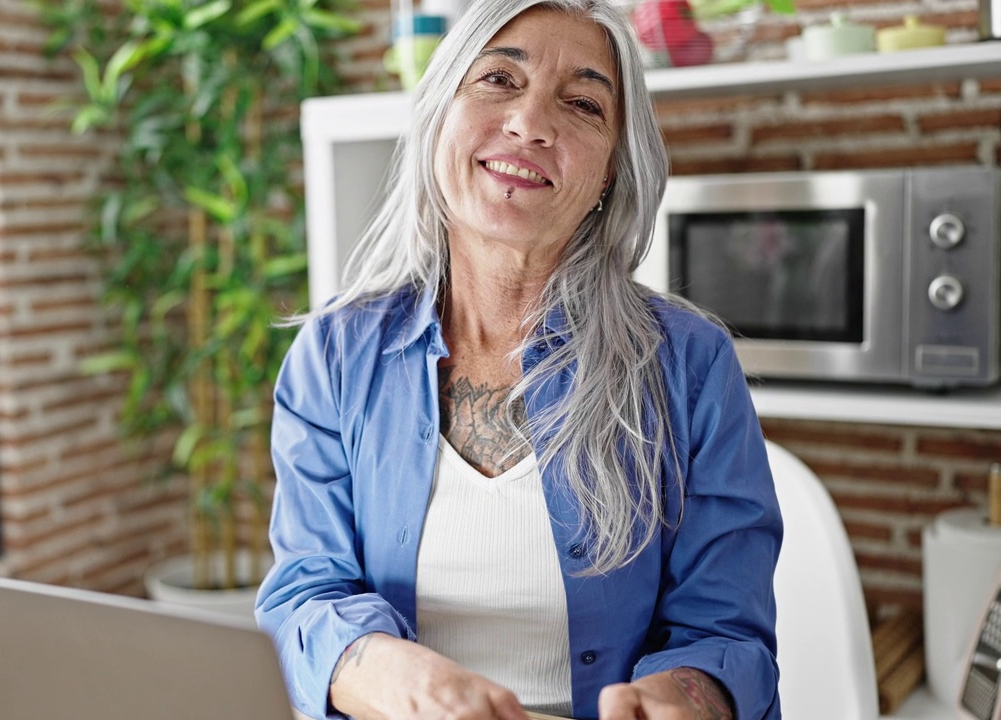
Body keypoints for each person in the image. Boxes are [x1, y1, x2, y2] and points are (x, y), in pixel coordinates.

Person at [254, 0, 783, 717]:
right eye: (500, 80)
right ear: (440, 113)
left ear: (610, 173)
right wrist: (382, 671)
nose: (531, 123)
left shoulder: (689, 363)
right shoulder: (335, 354)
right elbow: (305, 595)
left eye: (583, 104)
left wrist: (686, 696)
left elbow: (726, 634)